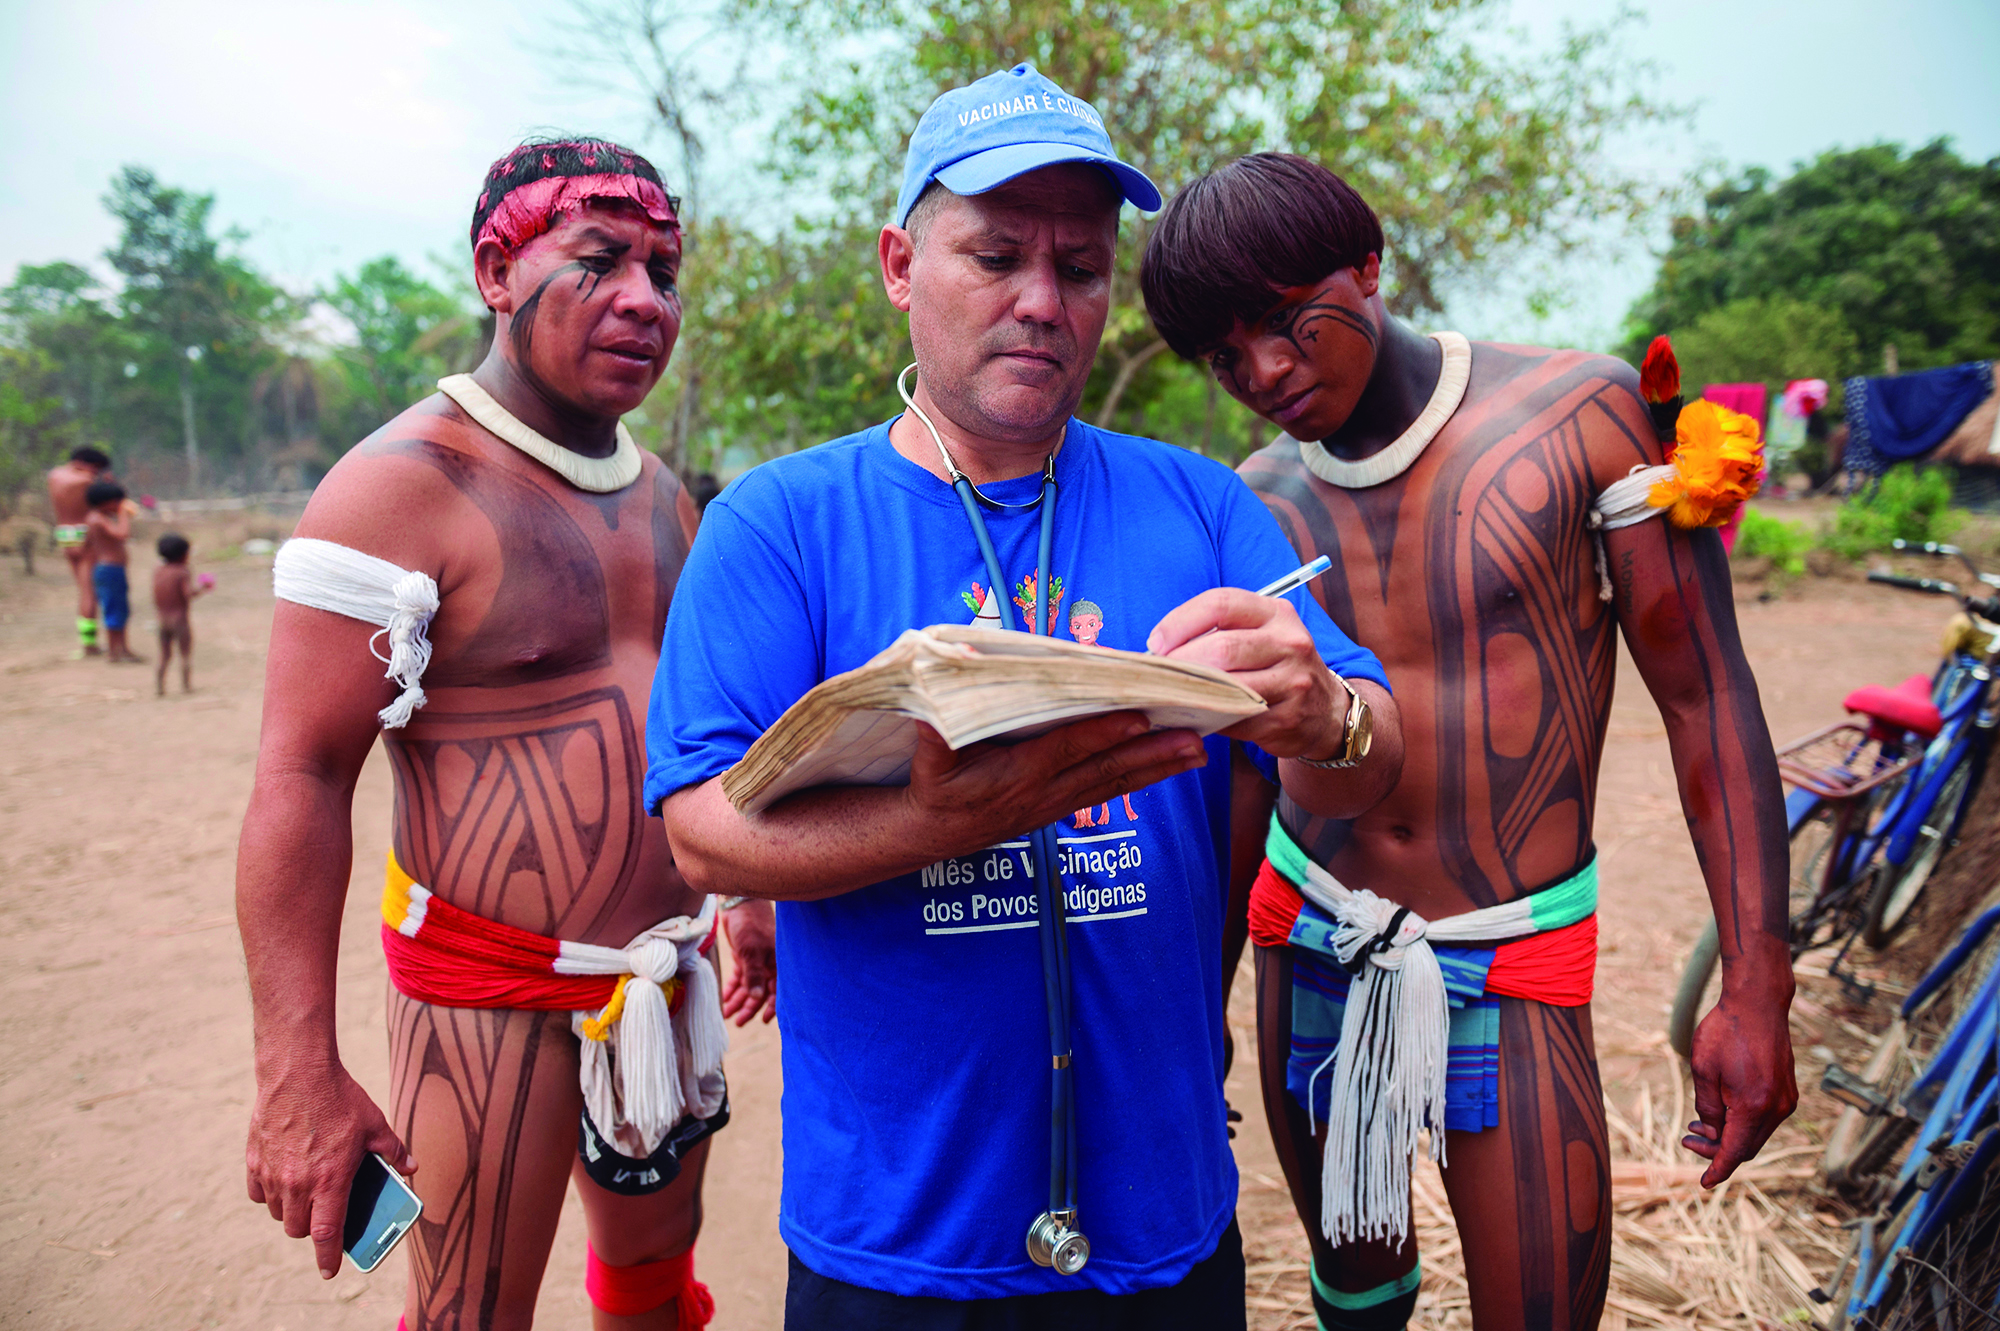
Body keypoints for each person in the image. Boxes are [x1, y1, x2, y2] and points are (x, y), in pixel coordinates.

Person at [646, 66, 1404, 1330]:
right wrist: (939, 821)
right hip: (894, 1232)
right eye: (993, 255)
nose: (1041, 303)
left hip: (1157, 1216)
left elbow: (1372, 765)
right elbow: (699, 828)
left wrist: (1323, 712)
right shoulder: (779, 524)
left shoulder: (1206, 506)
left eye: (1081, 267)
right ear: (899, 263)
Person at [1140, 153, 1797, 1331]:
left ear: (1369, 268)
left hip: (1510, 953)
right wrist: (1191, 1024)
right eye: (1226, 356)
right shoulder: (1255, 496)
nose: (1266, 372)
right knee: (1356, 1300)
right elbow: (1240, 776)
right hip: (1312, 938)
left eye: (1291, 324)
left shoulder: (1578, 416)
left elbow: (1704, 700)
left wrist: (1754, 984)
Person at [236, 137, 776, 1331]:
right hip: (486, 993)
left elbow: (694, 728)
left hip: (658, 973)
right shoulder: (400, 484)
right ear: (496, 269)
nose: (646, 297)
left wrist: (744, 894)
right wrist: (296, 1072)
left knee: (651, 1278)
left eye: (664, 270)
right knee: (470, 1310)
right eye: (599, 260)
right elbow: (300, 774)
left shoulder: (663, 494)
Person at [48, 446, 112, 655]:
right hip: (84, 535)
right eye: (95, 468)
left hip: (64, 534)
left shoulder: (54, 475)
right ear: (82, 463)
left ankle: (87, 640)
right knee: (88, 593)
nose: (96, 473)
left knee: (82, 590)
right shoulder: (86, 482)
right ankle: (89, 644)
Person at [83, 478, 142, 664]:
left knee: (121, 610)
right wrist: (123, 514)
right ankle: (114, 652)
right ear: (104, 502)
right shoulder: (97, 519)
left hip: (111, 570)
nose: (119, 505)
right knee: (113, 611)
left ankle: (122, 649)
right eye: (117, 502)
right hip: (109, 570)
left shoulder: (98, 518)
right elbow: (122, 534)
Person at [152, 532, 210, 695]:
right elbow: (188, 594)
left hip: (161, 619)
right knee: (184, 653)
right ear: (183, 554)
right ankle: (186, 686)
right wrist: (203, 588)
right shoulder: (182, 572)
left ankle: (160, 687)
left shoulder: (158, 571)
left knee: (164, 655)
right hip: (179, 620)